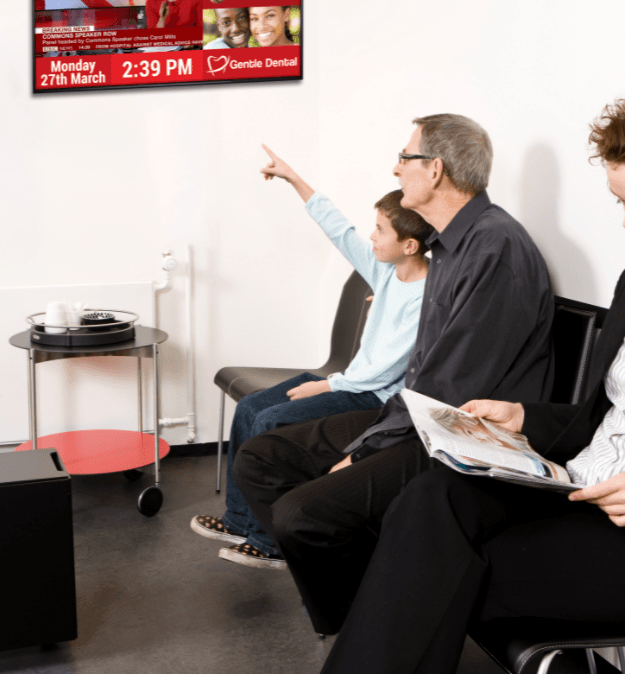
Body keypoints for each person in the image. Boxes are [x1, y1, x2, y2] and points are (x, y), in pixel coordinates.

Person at [320, 89, 625, 674]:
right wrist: (522, 417)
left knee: (430, 565)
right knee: (431, 497)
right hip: (574, 491)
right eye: (622, 203)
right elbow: (602, 418)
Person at [233, 114, 555, 634]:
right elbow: (428, 374)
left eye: (404, 159)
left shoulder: (494, 249)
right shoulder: (452, 247)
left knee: (300, 514)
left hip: (461, 437)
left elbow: (451, 389)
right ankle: (368, 600)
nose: (395, 168)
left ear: (434, 170)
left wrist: (365, 449)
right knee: (261, 459)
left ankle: (370, 619)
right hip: (419, 418)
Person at [192, 145, 433, 569]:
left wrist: (328, 384)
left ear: (409, 244)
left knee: (270, 421)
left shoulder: (426, 297)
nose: (371, 238)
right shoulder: (385, 269)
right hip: (348, 381)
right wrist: (293, 178)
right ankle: (240, 518)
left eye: (379, 231)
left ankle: (270, 542)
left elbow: (386, 370)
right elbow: (339, 230)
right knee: (250, 407)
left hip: (372, 397)